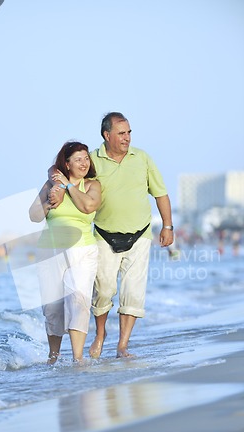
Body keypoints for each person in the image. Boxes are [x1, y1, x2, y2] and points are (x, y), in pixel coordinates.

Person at [49, 112, 174, 359]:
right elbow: (59, 166)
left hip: (140, 235)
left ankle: (122, 346)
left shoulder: (142, 158)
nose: (127, 138)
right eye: (121, 133)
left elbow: (160, 193)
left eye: (128, 133)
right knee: (103, 291)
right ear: (107, 135)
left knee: (133, 294)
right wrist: (59, 185)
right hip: (105, 236)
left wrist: (168, 226)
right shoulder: (91, 160)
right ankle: (100, 334)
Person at [29, 141, 101, 364]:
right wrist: (50, 202)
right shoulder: (50, 184)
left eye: (86, 158)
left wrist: (68, 187)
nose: (84, 163)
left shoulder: (92, 185)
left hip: (83, 250)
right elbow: (33, 215)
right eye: (78, 159)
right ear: (66, 163)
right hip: (49, 251)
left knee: (78, 301)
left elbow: (88, 207)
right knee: (52, 306)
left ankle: (77, 358)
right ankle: (53, 356)